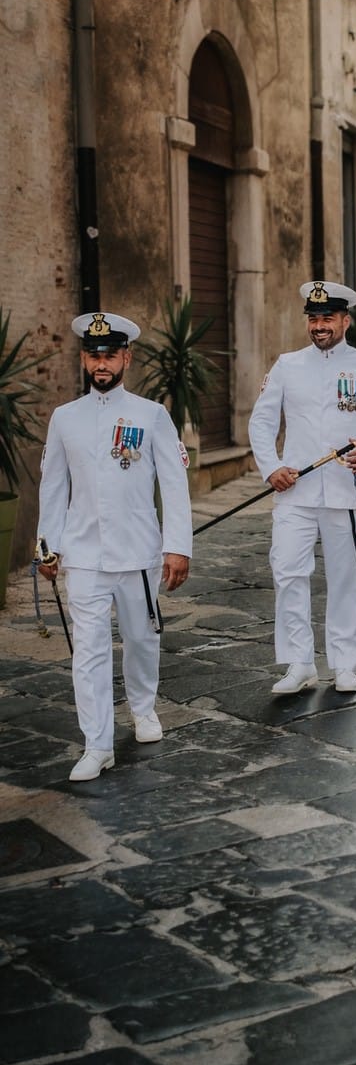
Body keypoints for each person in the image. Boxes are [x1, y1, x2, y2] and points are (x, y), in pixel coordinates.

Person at [37, 311, 192, 781]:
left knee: (142, 639)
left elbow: (174, 483)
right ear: (84, 360)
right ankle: (97, 743)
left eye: (109, 355)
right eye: (92, 355)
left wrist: (177, 546)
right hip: (84, 556)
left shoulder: (151, 415)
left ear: (126, 357)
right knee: (88, 650)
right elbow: (52, 488)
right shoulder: (65, 418)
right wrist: (47, 547)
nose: (101, 364)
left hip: (139, 551)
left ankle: (143, 708)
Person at [248, 280, 356, 696]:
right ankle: (299, 663)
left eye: (328, 318)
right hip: (294, 490)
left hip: (346, 490)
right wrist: (271, 467)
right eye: (314, 318)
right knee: (289, 573)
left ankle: (345, 662)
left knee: (347, 577)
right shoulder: (286, 365)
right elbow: (261, 422)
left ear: (345, 320)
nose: (320, 326)